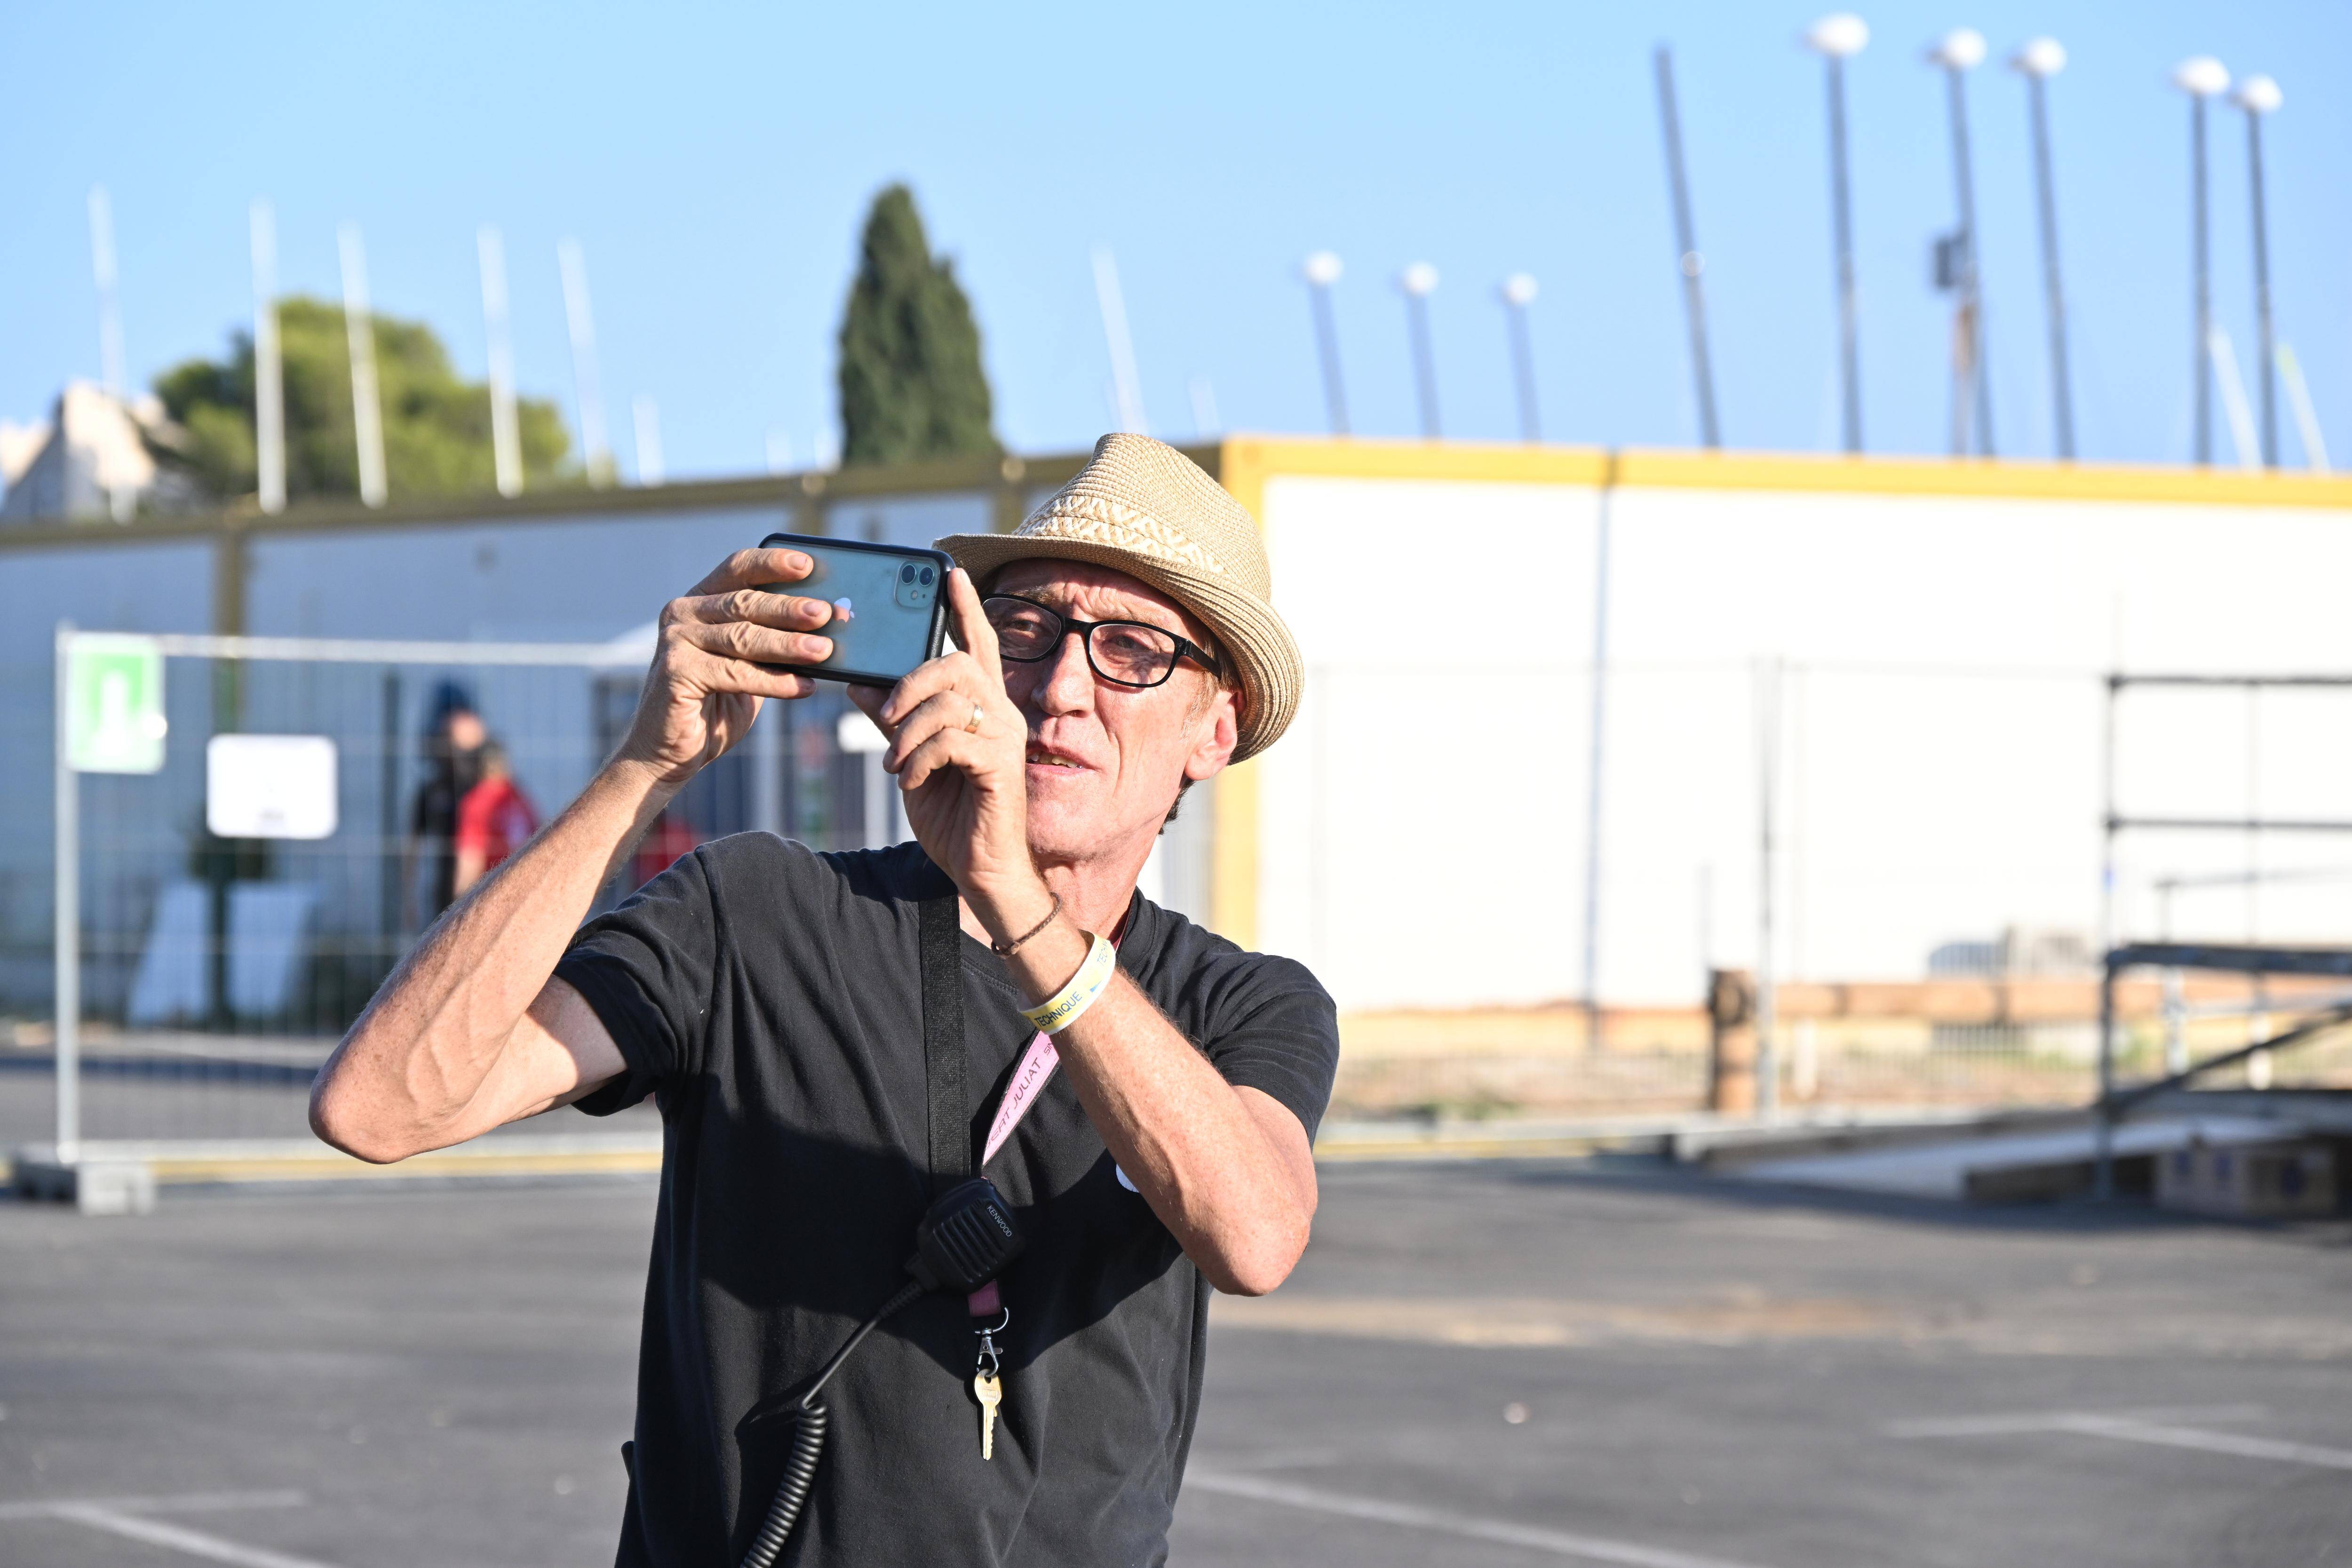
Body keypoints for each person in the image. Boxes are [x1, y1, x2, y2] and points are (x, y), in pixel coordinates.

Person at [310, 434, 1335, 1567]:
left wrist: (1013, 900)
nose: (1063, 686)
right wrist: (642, 770)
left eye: (1133, 650)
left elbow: (1254, 1234)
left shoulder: (1240, 1004)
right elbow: (384, 1106)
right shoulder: (755, 913)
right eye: (1029, 632)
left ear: (1214, 726)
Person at [403, 685, 486, 927]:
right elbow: (411, 850)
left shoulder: (487, 785)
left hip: (487, 889)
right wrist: (409, 899)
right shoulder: (431, 792)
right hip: (446, 899)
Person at [451, 740, 540, 898]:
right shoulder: (520, 797)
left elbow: (470, 858)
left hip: (494, 890)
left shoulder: (477, 801)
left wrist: (460, 903)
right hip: (528, 886)